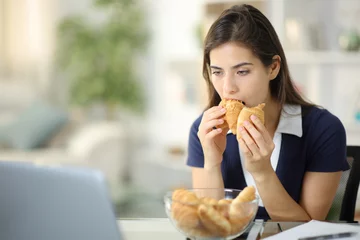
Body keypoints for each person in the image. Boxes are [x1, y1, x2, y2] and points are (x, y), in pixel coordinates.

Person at [186, 4, 349, 221]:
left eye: (242, 71)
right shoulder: (204, 130)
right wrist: (212, 163)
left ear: (273, 68)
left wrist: (262, 172)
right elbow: (211, 225)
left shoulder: (323, 129)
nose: (228, 88)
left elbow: (308, 229)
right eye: (217, 72)